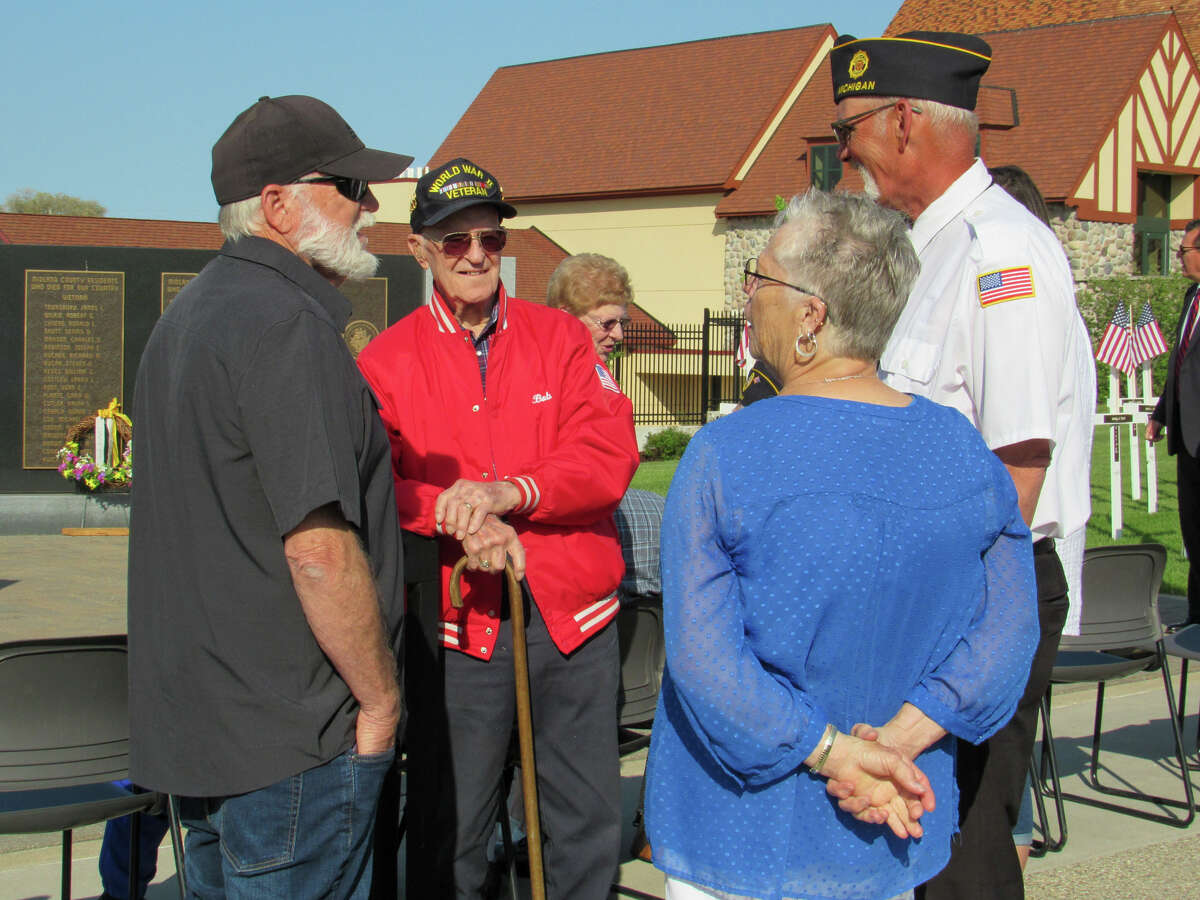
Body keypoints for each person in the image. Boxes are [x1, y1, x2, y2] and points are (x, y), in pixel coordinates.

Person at [644, 189, 1040, 900]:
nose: (748, 295)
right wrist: (903, 738)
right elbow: (1008, 631)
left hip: (748, 830)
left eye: (759, 278)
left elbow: (705, 662)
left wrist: (837, 752)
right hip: (892, 817)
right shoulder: (962, 449)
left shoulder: (725, 455)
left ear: (811, 316)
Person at [831, 33, 1096, 898]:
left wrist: (963, 626)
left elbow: (1018, 461)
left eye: (848, 129)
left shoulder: (997, 254)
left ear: (903, 120)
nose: (841, 152)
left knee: (963, 852)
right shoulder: (935, 246)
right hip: (943, 587)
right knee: (923, 842)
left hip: (982, 588)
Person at [127, 95, 409, 899]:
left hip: (209, 738)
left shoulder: (189, 318)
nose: (371, 206)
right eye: (350, 185)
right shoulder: (285, 326)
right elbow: (317, 549)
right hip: (293, 750)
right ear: (277, 205)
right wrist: (381, 701)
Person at [356, 157, 639, 899]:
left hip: (572, 619)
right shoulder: (385, 359)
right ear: (420, 249)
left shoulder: (564, 340)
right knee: (453, 833)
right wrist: (453, 510)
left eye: (490, 237)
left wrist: (510, 493)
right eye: (454, 241)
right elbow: (373, 481)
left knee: (583, 826)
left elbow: (608, 457)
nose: (477, 254)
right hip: (458, 626)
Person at [1149, 218, 1200, 632]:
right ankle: (1196, 618)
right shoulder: (1191, 297)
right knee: (1194, 529)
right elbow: (1179, 366)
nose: (1179, 258)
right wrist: (1162, 414)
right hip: (1188, 438)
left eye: (1185, 251)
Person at [546, 251, 632, 363]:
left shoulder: (596, 375)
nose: (619, 335)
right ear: (566, 318)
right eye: (608, 323)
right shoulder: (535, 374)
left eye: (622, 323)